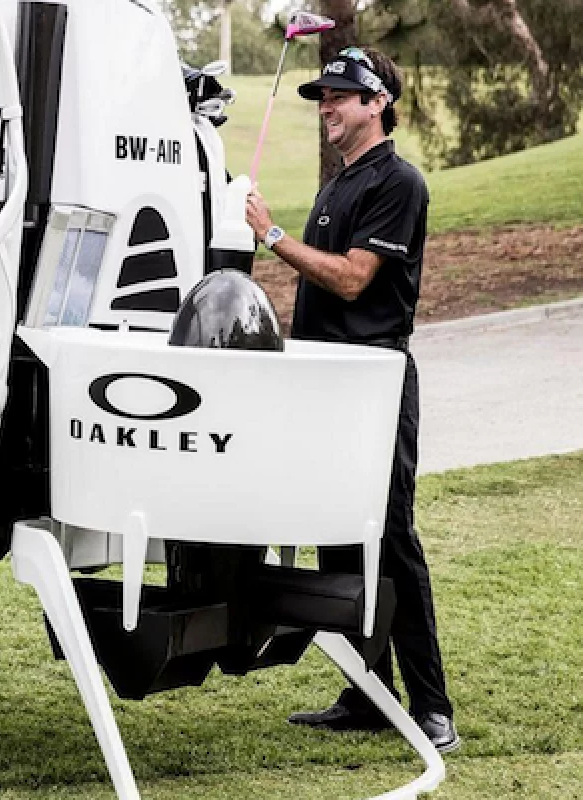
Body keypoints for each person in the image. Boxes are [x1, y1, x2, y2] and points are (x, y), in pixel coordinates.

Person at [244, 45, 459, 753]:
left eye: (340, 96)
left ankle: (433, 708)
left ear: (377, 104)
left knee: (391, 541)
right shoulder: (339, 182)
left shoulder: (399, 183)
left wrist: (273, 235)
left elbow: (351, 280)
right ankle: (369, 693)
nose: (327, 106)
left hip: (376, 384)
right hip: (327, 385)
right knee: (339, 541)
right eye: (321, 97)